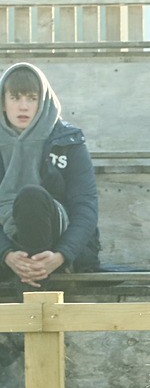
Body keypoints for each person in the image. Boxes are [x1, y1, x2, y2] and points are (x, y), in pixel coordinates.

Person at [0, 62, 100, 287]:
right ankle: (39, 301)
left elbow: (85, 207)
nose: (23, 106)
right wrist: (6, 254)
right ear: (3, 103)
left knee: (31, 198)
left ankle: (34, 300)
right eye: (15, 98)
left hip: (58, 244)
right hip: (5, 245)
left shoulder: (68, 141)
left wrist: (61, 255)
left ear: (42, 101)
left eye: (31, 98)